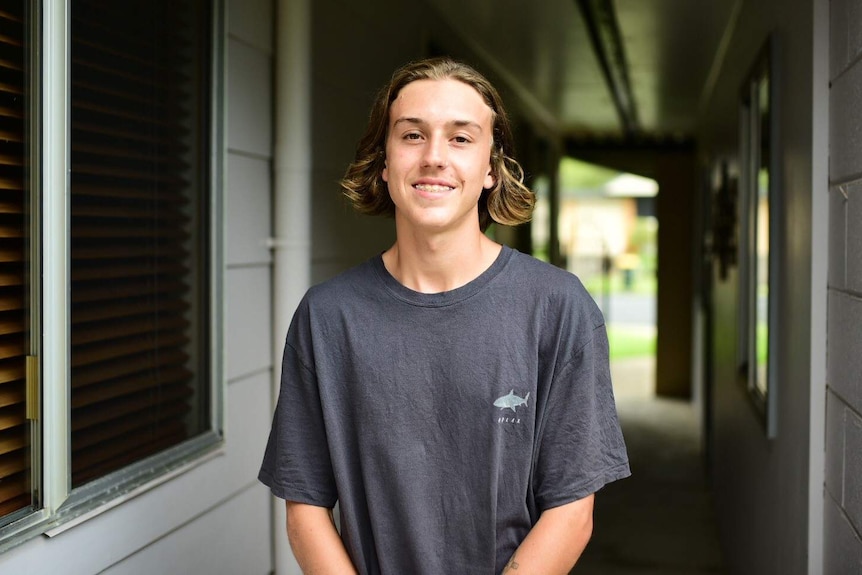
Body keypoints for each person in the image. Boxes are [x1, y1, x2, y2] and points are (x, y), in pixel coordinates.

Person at [259, 56, 630, 574]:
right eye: (412, 135)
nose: (434, 156)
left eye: (460, 138)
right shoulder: (327, 318)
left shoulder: (557, 307)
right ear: (384, 162)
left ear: (491, 169)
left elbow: (571, 509)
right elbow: (305, 508)